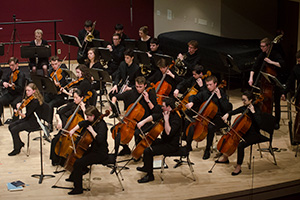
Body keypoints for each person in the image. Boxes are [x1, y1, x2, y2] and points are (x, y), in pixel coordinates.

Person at [110, 76, 160, 156]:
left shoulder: (150, 93)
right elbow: (117, 96)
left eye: (140, 87)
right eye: (136, 86)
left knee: (137, 133)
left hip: (146, 121)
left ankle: (138, 153)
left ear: (145, 86)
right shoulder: (133, 92)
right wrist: (113, 101)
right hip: (132, 121)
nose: (138, 89)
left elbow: (155, 111)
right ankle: (126, 149)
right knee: (114, 130)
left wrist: (148, 100)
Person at [216, 91, 263, 176]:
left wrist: (253, 113)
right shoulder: (244, 108)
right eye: (242, 100)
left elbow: (260, 124)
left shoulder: (257, 109)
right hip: (243, 132)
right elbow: (235, 111)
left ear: (250, 100)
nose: (243, 102)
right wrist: (227, 114)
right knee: (228, 138)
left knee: (240, 145)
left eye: (244, 100)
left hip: (254, 134)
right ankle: (225, 158)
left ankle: (238, 166)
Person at [185, 75, 232, 159]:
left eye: (210, 85)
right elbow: (193, 97)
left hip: (218, 117)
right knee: (191, 124)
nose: (208, 87)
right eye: (207, 85)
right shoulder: (205, 93)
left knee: (210, 127)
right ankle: (188, 145)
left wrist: (220, 98)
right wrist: (191, 102)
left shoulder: (221, 93)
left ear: (216, 84)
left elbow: (227, 108)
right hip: (206, 116)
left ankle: (207, 149)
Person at [136, 98, 181, 183]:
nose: (161, 107)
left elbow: (169, 133)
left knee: (148, 151)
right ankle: (146, 166)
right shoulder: (166, 112)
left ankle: (150, 176)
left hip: (171, 145)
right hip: (165, 141)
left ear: (169, 107)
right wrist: (143, 122)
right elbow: (154, 116)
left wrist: (166, 120)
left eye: (163, 106)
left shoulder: (176, 119)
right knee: (148, 142)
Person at [66, 106, 108, 195]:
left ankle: (78, 189)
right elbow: (82, 123)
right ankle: (74, 176)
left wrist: (92, 131)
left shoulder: (102, 125)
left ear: (93, 116)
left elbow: (100, 139)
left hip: (100, 153)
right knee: (78, 156)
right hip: (93, 149)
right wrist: (72, 130)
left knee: (78, 163)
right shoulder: (92, 122)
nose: (87, 118)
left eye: (88, 117)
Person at [248, 37, 286, 130]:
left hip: (276, 82)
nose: (261, 48)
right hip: (266, 84)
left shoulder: (275, 54)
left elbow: (282, 64)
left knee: (276, 102)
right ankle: (264, 119)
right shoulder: (262, 55)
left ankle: (276, 121)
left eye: (263, 46)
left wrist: (271, 62)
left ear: (268, 46)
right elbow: (254, 67)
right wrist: (251, 78)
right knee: (264, 101)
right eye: (260, 46)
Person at [50, 89, 88, 166]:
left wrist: (84, 110)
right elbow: (58, 112)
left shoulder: (87, 107)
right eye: (73, 97)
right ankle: (56, 160)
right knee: (55, 140)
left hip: (78, 131)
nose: (74, 100)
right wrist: (59, 121)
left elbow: (87, 121)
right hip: (67, 128)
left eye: (76, 98)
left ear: (82, 98)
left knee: (70, 145)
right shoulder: (72, 105)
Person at [8, 83, 43, 156]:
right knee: (10, 126)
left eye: (29, 90)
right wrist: (20, 104)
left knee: (14, 129)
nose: (27, 92)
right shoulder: (29, 99)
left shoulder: (35, 101)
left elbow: (26, 116)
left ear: (34, 91)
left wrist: (19, 113)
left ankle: (17, 149)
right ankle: (19, 143)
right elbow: (25, 106)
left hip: (33, 122)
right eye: (26, 90)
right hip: (28, 119)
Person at [109, 49, 141, 118]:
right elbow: (118, 75)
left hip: (131, 87)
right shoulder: (122, 64)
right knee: (111, 93)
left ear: (132, 58)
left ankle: (128, 112)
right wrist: (115, 85)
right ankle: (116, 112)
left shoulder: (136, 68)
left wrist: (130, 88)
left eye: (127, 58)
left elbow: (138, 81)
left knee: (127, 96)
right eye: (125, 58)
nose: (126, 59)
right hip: (123, 85)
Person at [44, 56, 69, 132]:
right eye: (52, 64)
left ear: (59, 63)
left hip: (61, 95)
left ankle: (50, 124)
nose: (54, 66)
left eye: (55, 64)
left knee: (50, 105)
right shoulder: (51, 71)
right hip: (53, 94)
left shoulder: (64, 71)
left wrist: (60, 85)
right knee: (44, 100)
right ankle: (45, 120)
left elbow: (67, 84)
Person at [0, 57, 26, 125]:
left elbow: (20, 88)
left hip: (19, 94)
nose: (11, 67)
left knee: (15, 103)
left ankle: (15, 120)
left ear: (17, 64)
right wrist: (3, 83)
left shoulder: (21, 75)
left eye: (12, 65)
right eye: (10, 65)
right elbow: (3, 80)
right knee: (0, 100)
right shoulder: (10, 74)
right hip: (11, 94)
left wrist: (14, 86)